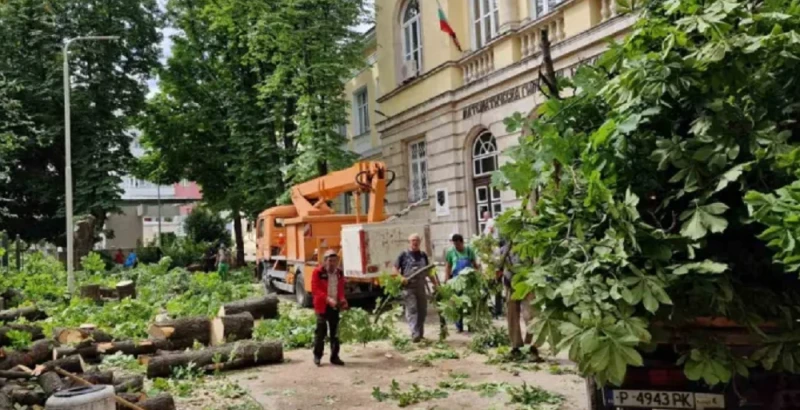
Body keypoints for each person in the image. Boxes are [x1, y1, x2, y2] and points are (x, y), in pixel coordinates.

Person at [501, 241, 541, 360]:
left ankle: (531, 346)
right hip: (510, 283)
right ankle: (516, 346)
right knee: (512, 316)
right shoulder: (506, 246)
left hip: (528, 283)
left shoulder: (530, 244)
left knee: (531, 315)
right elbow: (500, 262)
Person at [394, 233, 435, 343]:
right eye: (413, 240)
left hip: (421, 287)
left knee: (422, 310)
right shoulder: (403, 255)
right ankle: (415, 334)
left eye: (417, 240)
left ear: (419, 242)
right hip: (409, 288)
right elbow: (395, 268)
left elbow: (429, 271)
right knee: (412, 310)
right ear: (409, 242)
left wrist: (436, 284)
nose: (415, 242)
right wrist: (401, 277)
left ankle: (420, 334)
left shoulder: (423, 255)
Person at [311, 249, 348, 366]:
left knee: (335, 332)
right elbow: (315, 290)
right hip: (322, 305)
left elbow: (340, 289)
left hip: (335, 305)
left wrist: (342, 300)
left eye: (334, 261)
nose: (332, 263)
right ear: (325, 261)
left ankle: (334, 356)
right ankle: (317, 356)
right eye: (330, 261)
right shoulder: (317, 272)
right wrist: (328, 299)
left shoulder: (339, 273)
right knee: (320, 332)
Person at [444, 233, 478, 332]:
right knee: (457, 302)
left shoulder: (469, 251)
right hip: (456, 281)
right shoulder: (451, 252)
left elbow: (474, 264)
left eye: (458, 244)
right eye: (455, 244)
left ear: (462, 242)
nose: (457, 246)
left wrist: (479, 274)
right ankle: (459, 326)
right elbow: (448, 266)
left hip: (469, 281)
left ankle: (471, 325)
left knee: (470, 303)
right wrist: (447, 279)